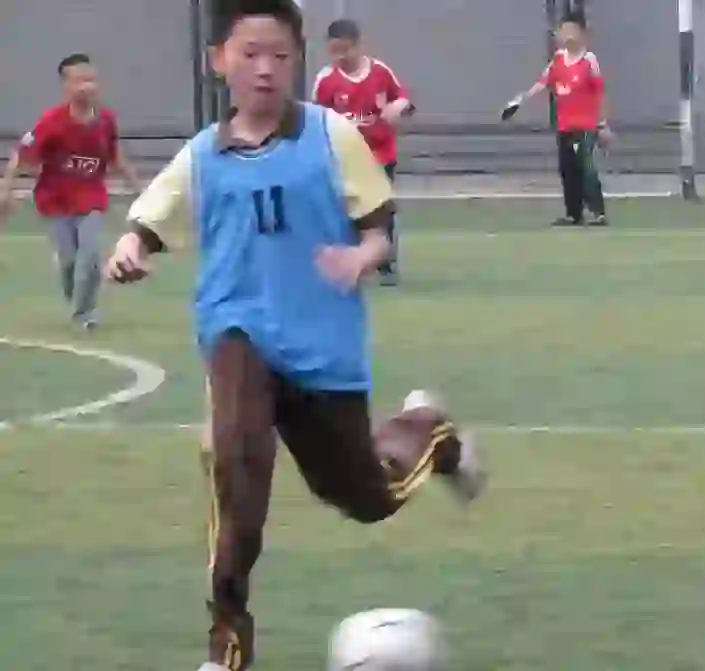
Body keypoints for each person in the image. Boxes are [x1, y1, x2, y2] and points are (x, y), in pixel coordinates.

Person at [102, 1, 484, 669]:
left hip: (322, 352)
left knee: (369, 497)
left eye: (279, 54)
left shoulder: (331, 136)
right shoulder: (202, 155)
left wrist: (362, 256)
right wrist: (130, 246)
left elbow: (378, 228)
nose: (265, 69)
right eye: (249, 53)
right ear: (218, 60)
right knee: (236, 465)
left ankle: (431, 430)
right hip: (237, 334)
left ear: (296, 61)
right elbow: (152, 217)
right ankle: (227, 642)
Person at [0, 53, 139, 330]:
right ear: (66, 86)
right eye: (80, 81)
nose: (87, 86)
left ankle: (85, 313)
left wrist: (138, 189)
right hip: (56, 201)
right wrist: (6, 191)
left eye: (91, 80)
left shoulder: (106, 120)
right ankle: (73, 289)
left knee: (90, 255)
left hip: (91, 197)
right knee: (69, 262)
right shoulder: (52, 122)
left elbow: (115, 155)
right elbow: (21, 155)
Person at [313, 18, 414, 286]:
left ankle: (387, 265)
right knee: (345, 210)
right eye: (334, 51)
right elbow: (315, 119)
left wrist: (398, 106)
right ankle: (348, 262)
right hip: (343, 157)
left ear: (358, 46)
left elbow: (403, 98)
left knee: (381, 210)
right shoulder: (326, 80)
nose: (340, 56)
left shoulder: (380, 72)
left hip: (380, 153)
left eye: (344, 50)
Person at [502, 12, 611, 227]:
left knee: (586, 167)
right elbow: (542, 83)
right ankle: (574, 214)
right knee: (567, 169)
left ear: (582, 34)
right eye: (564, 31)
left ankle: (598, 212)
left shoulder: (589, 60)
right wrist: (519, 101)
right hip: (564, 125)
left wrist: (603, 124)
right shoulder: (558, 61)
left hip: (585, 126)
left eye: (572, 31)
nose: (567, 35)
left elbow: (600, 93)